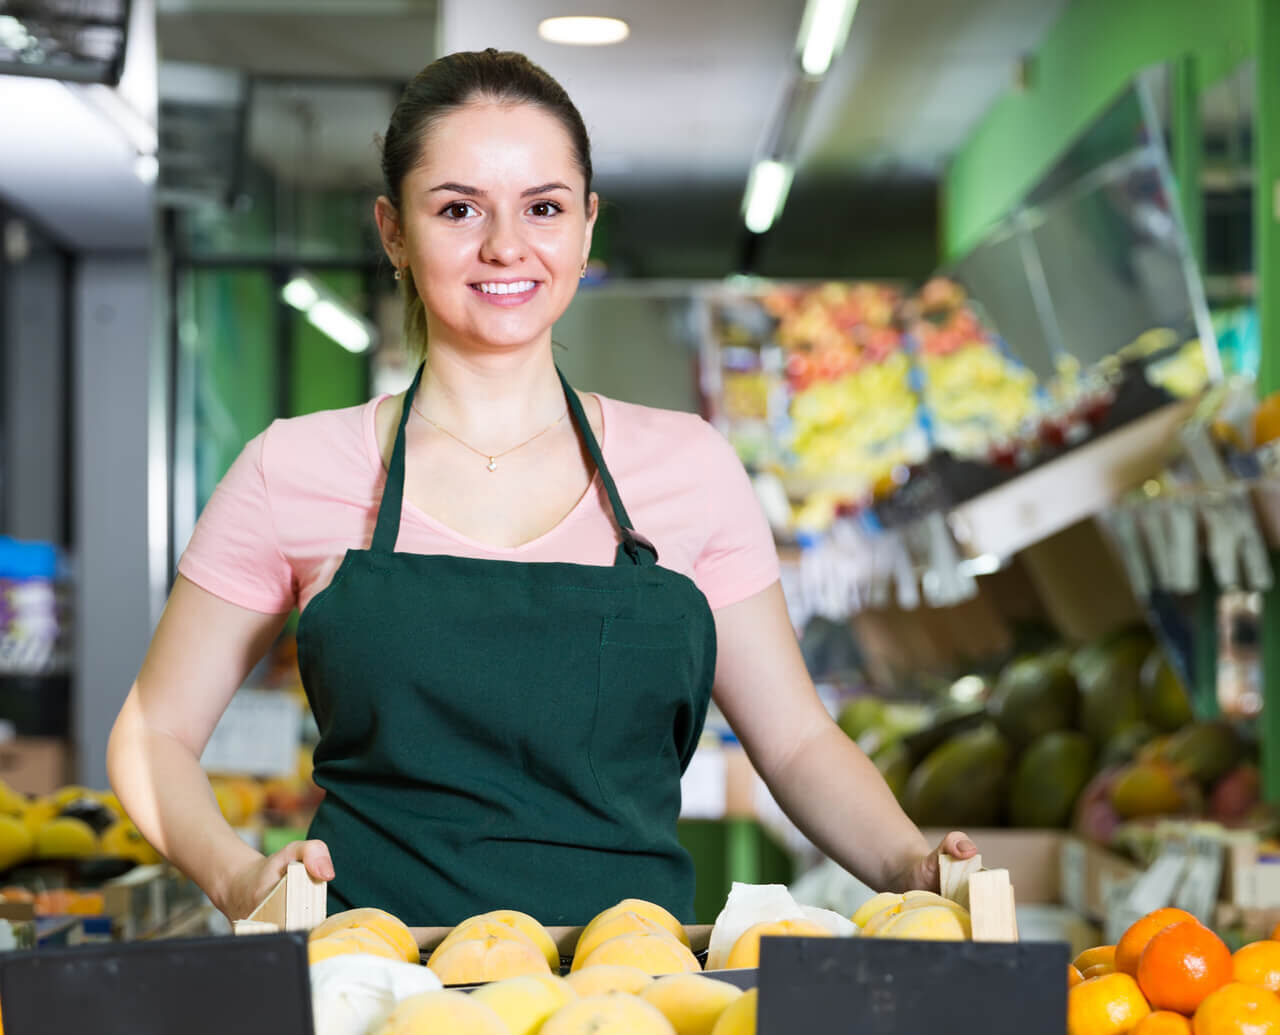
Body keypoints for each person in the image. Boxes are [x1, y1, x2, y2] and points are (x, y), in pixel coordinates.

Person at [107, 48, 976, 927]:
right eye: (457, 209)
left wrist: (911, 861)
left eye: (544, 207)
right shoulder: (291, 468)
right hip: (368, 990)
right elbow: (152, 734)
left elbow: (795, 742)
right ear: (393, 230)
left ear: (587, 224)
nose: (505, 246)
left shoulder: (688, 467)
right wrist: (237, 876)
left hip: (635, 993)